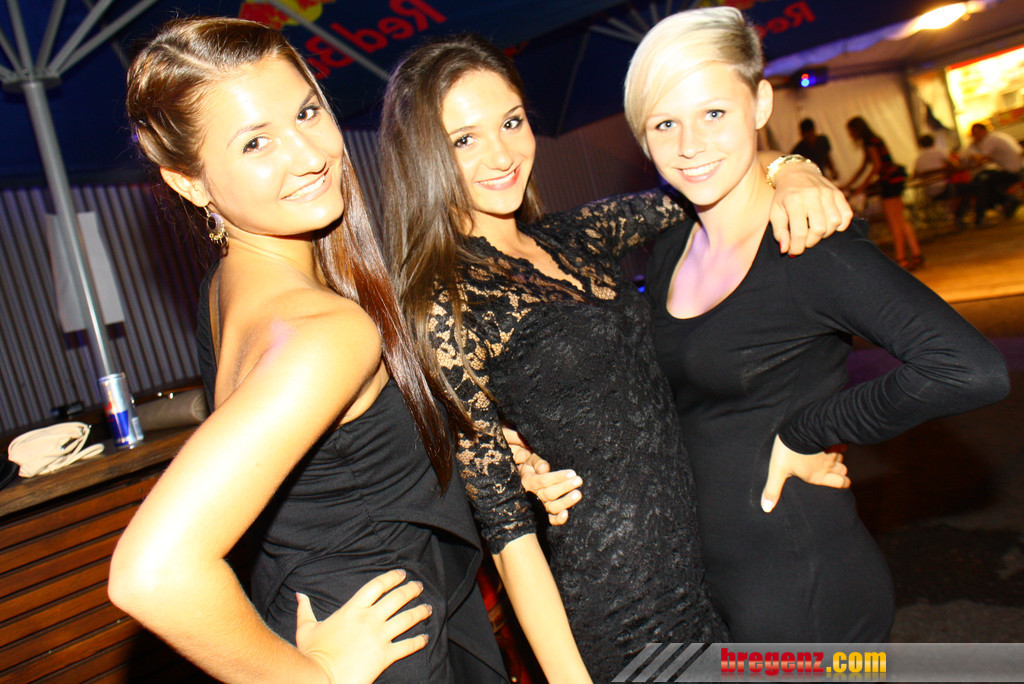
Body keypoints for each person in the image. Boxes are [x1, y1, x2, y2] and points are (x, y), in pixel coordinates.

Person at [379, 33, 851, 680]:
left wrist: (793, 168)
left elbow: (707, 178)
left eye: (511, 122)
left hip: (717, 570)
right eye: (464, 139)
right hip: (623, 607)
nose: (501, 155)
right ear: (423, 157)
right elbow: (507, 532)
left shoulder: (574, 236)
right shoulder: (443, 302)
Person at [107, 18, 507, 684]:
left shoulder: (227, 289)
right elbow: (151, 573)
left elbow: (338, 474)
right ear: (189, 183)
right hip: (388, 643)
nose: (309, 154)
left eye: (306, 112)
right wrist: (313, 676)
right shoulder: (326, 331)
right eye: (256, 142)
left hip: (310, 608)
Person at [621, 6, 1010, 642]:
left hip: (802, 595)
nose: (689, 145)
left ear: (759, 103)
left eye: (713, 113)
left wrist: (810, 430)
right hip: (709, 587)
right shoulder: (669, 246)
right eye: (666, 123)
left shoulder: (810, 245)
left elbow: (969, 369)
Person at [842, 115, 924, 270]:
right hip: (895, 179)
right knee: (901, 220)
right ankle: (916, 254)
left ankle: (901, 259)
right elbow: (864, 167)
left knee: (894, 222)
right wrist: (850, 184)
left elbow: (877, 166)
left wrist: (861, 187)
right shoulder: (874, 140)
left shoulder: (870, 142)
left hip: (889, 182)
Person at [965, 121, 1023, 222]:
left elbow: (982, 159)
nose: (975, 136)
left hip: (1012, 170)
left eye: (976, 133)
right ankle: (1007, 202)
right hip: (1019, 168)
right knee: (987, 180)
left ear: (983, 131)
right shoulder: (997, 136)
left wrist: (970, 165)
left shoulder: (989, 140)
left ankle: (1008, 201)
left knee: (982, 182)